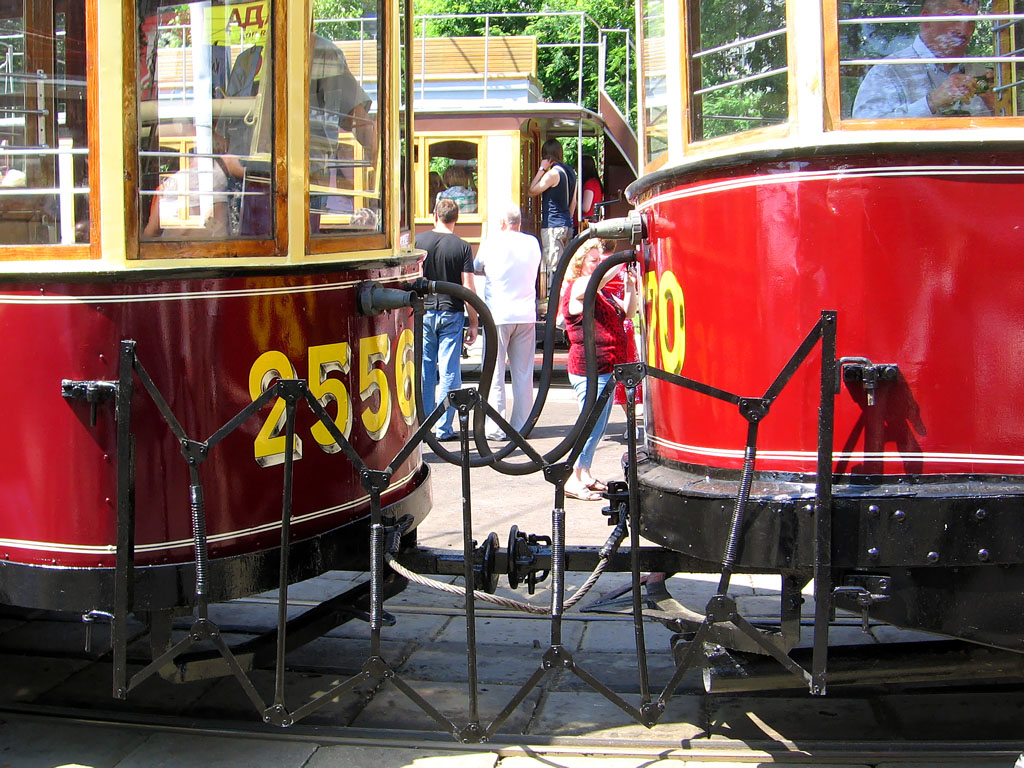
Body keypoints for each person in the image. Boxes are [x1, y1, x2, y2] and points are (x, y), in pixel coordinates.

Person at [560, 238, 637, 501]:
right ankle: (572, 478)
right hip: (588, 368)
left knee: (598, 425)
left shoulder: (600, 291)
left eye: (599, 260)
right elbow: (598, 281)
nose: (598, 265)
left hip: (606, 367)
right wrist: (625, 258)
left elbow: (628, 313)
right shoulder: (579, 286)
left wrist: (629, 286)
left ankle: (584, 472)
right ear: (580, 264)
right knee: (589, 425)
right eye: (593, 260)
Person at [852, 0, 994, 119]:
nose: (965, 31)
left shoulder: (982, 74)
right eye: (955, 17)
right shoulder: (888, 72)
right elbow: (865, 130)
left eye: (971, 21)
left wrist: (995, 104)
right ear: (926, 19)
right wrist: (931, 102)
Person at [473, 203, 542, 441]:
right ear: (518, 222)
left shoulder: (492, 242)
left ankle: (495, 427)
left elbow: (476, 267)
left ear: (502, 223)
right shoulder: (533, 243)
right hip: (526, 314)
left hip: (498, 315)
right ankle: (522, 425)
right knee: (523, 373)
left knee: (495, 372)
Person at [419, 198, 479, 442]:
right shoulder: (462, 247)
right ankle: (444, 427)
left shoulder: (419, 243)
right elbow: (468, 287)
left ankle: (423, 426)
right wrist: (474, 321)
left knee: (425, 370)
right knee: (449, 371)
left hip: (423, 312)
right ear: (456, 219)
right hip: (451, 312)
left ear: (435, 215)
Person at [600, 239, 643, 435]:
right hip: (626, 323)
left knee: (602, 377)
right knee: (628, 377)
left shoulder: (597, 266)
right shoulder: (624, 264)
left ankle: (593, 425)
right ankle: (632, 424)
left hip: (607, 322)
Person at [528, 138, 577, 300]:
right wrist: (567, 220)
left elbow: (532, 190)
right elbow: (574, 202)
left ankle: (558, 304)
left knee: (555, 269)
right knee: (566, 266)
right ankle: (565, 301)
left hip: (553, 226)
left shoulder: (553, 174)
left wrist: (542, 169)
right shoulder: (571, 172)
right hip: (566, 224)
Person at [579, 155, 603, 224]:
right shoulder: (595, 182)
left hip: (586, 222)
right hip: (592, 220)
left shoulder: (590, 184)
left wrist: (574, 200)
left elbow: (585, 208)